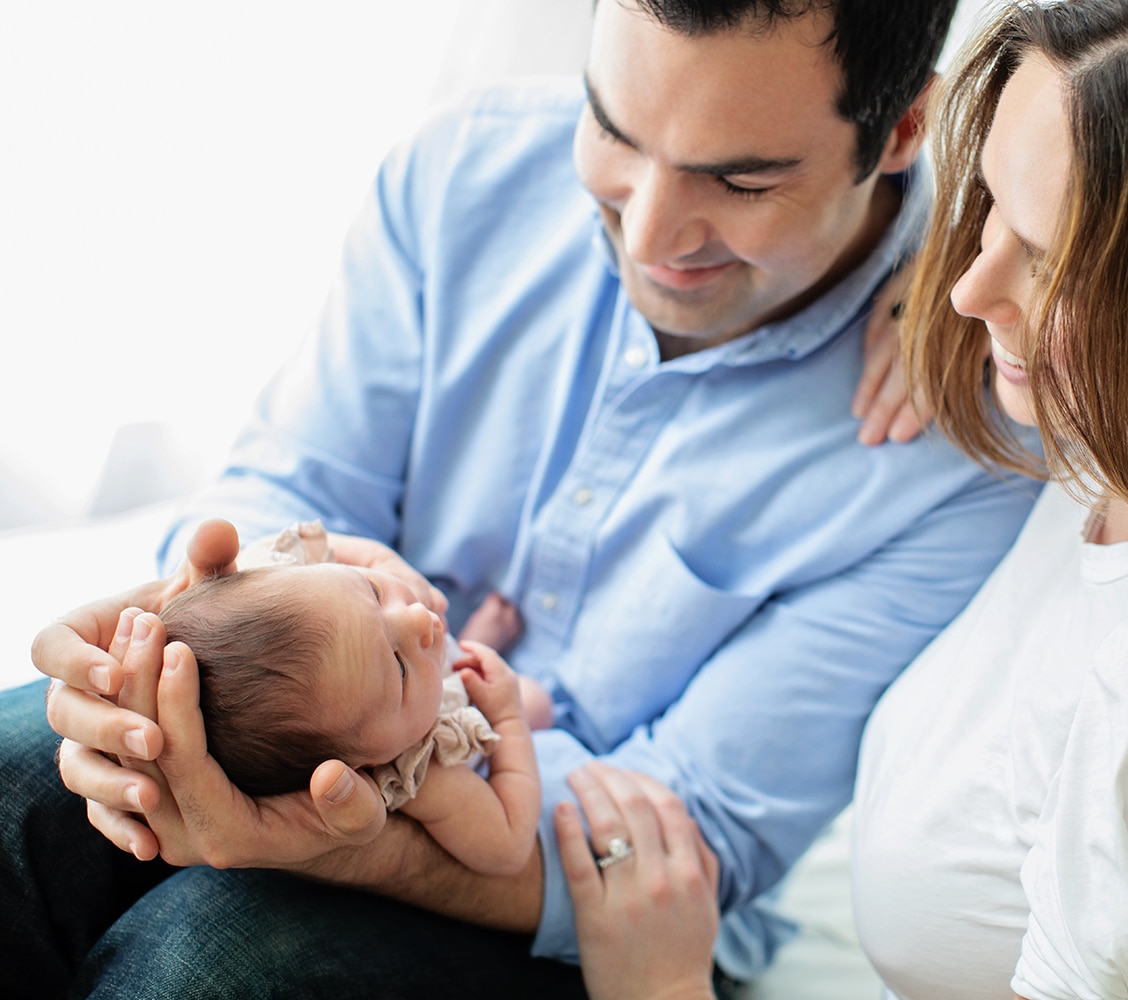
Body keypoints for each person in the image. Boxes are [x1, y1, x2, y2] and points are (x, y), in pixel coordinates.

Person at [13, 0, 1044, 996]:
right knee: (16, 781)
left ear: (906, 125)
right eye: (613, 130)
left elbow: (693, 823)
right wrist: (176, 671)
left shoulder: (956, 441)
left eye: (740, 181)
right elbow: (294, 489)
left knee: (211, 959)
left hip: (594, 903)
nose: (648, 237)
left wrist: (345, 839)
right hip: (309, 732)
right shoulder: (464, 172)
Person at [551, 0, 1128, 997]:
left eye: (1051, 262)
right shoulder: (1110, 462)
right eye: (990, 204)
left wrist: (660, 989)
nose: (967, 285)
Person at [157, 520, 544, 878]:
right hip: (468, 708)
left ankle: (461, 649)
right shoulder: (427, 774)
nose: (417, 618)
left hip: (438, 673)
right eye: (399, 667)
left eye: (374, 593)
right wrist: (508, 715)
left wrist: (388, 565)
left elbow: (339, 549)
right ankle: (474, 662)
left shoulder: (288, 579)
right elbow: (508, 847)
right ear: (360, 766)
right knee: (537, 702)